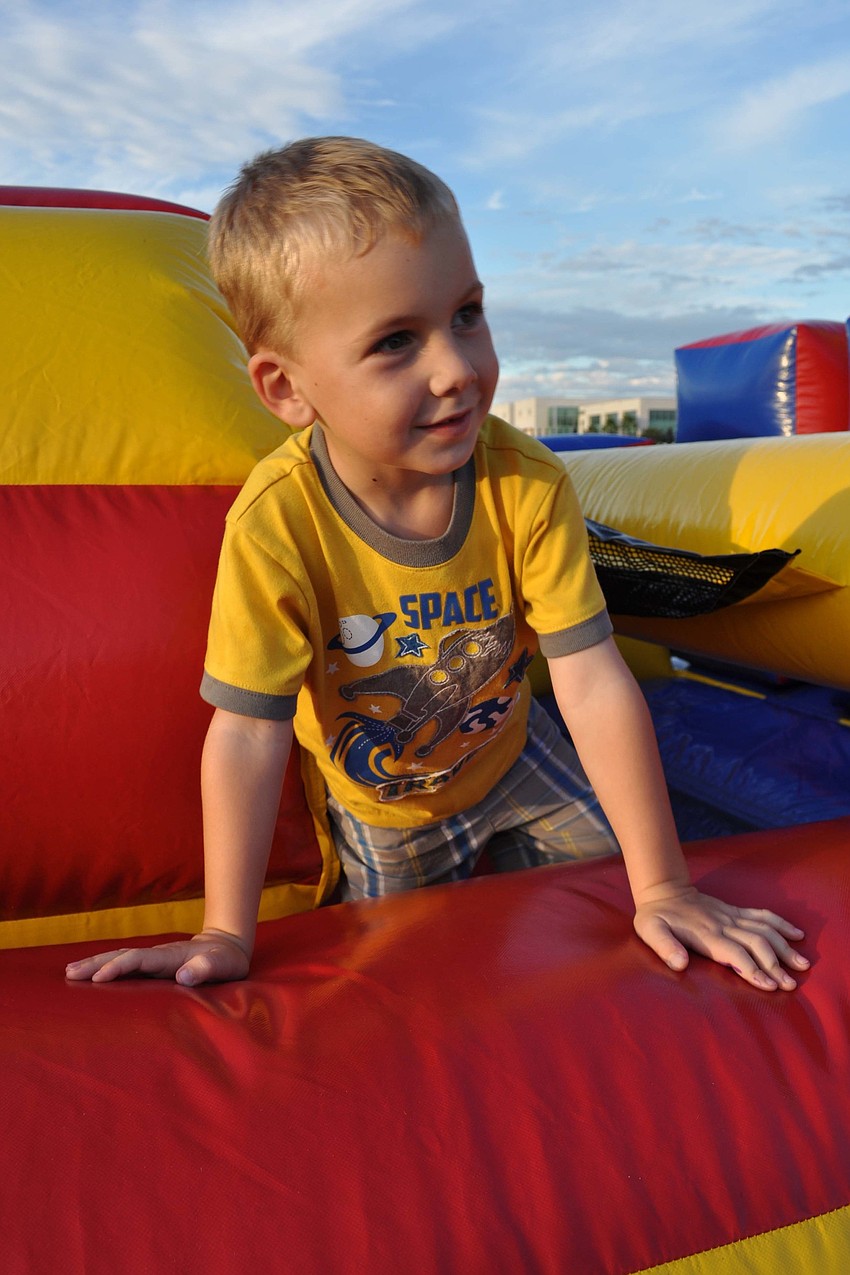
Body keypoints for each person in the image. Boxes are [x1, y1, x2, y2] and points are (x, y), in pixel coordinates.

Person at [66, 137, 808, 992]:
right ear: (286, 389)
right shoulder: (280, 524)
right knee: (411, 983)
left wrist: (666, 885)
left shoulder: (523, 482)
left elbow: (591, 677)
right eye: (394, 344)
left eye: (467, 314)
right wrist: (227, 932)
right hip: (391, 811)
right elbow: (247, 728)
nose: (458, 370)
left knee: (616, 905)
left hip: (518, 759)